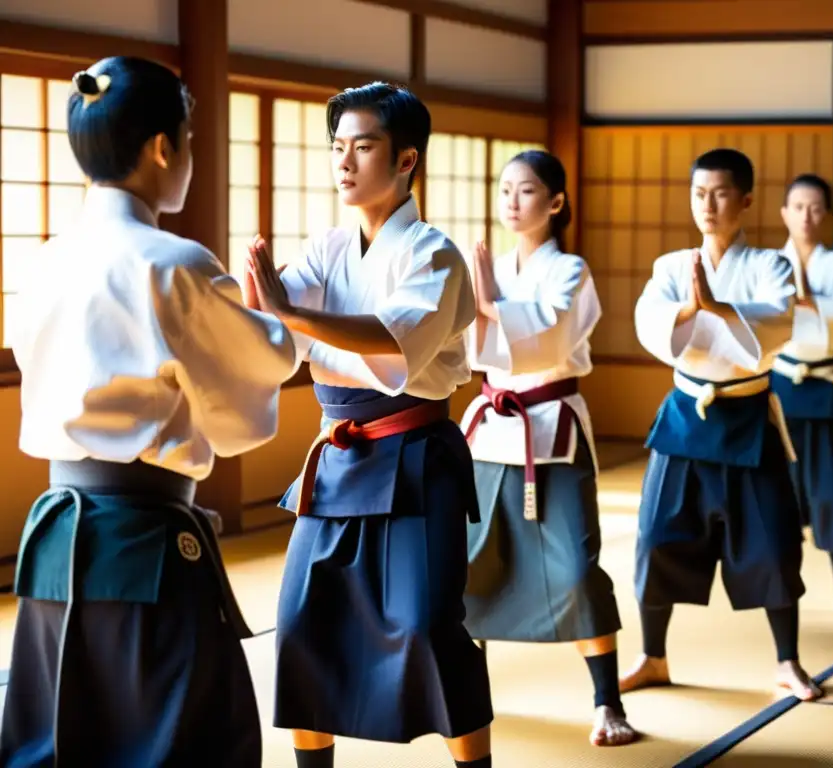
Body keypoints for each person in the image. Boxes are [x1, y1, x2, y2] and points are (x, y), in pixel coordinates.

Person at [0, 56, 300, 767]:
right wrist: (276, 322)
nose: (189, 156)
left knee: (64, 734)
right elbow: (254, 379)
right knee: (178, 738)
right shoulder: (173, 263)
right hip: (145, 545)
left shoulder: (43, 261)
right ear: (164, 148)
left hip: (53, 539)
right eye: (190, 140)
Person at [244, 82, 493, 768]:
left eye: (362, 146)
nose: (344, 161)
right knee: (299, 626)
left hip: (416, 457)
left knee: (428, 628)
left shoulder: (433, 255)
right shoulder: (329, 246)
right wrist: (244, 301)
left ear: (407, 159)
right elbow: (272, 319)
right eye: (336, 148)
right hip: (337, 457)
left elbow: (390, 342)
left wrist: (290, 315)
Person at [621, 148, 822, 703]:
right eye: (698, 193)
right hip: (685, 417)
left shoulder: (771, 266)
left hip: (747, 416)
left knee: (774, 542)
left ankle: (788, 661)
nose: (708, 205)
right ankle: (653, 656)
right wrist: (690, 311)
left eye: (721, 193)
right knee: (656, 538)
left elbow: (781, 320)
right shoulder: (671, 266)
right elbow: (650, 321)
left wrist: (721, 307)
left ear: (747, 199)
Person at [459, 150, 638, 747]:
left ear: (556, 203)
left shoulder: (570, 270)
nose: (512, 201)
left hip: (550, 433)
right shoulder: (490, 267)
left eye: (527, 191)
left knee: (575, 569)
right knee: (468, 564)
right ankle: (468, 700)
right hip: (491, 429)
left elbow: (551, 332)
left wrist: (492, 306)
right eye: (505, 189)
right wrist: (481, 303)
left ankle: (607, 700)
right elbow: (463, 341)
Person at [771, 174, 833, 620]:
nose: (806, 217)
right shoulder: (771, 263)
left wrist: (808, 301)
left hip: (826, 388)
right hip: (781, 390)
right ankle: (780, 586)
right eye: (798, 207)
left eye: (815, 208)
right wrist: (802, 305)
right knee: (779, 495)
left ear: (829, 215)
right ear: (784, 214)